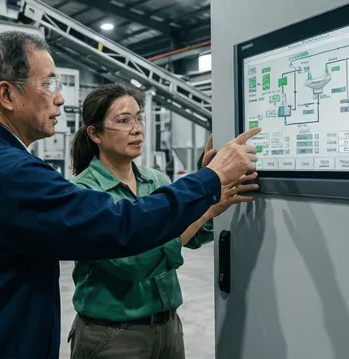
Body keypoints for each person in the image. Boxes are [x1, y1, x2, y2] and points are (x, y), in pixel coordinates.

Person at [0, 30, 262, 359]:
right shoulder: (10, 172)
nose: (60, 97)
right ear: (7, 95)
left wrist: (206, 200)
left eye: (139, 119)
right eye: (49, 84)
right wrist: (209, 180)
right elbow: (121, 228)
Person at [66, 84, 258, 359]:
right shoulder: (83, 193)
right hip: (114, 338)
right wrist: (206, 206)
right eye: (123, 120)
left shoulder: (155, 180)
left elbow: (194, 236)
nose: (137, 128)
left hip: (168, 327)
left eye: (139, 117)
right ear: (95, 133)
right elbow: (136, 263)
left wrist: (207, 197)